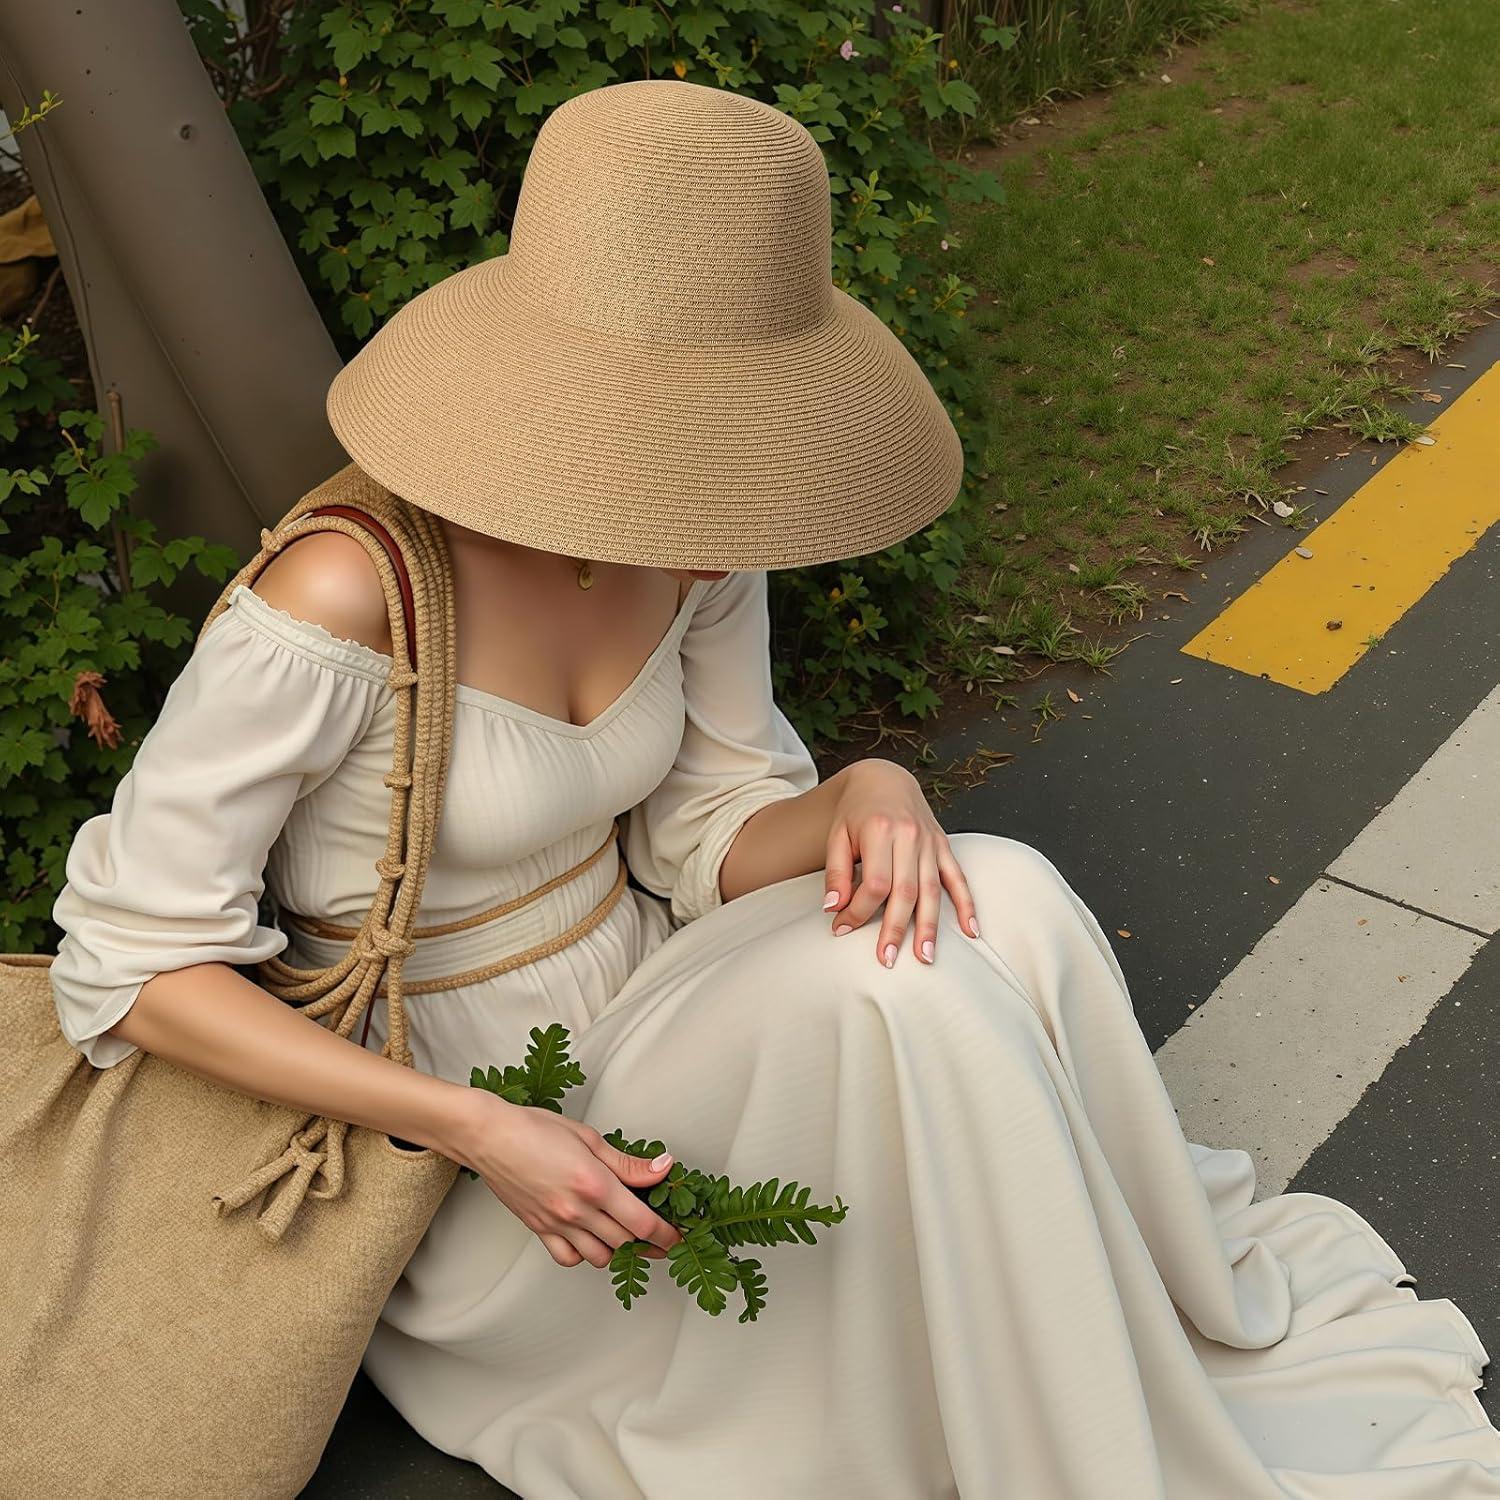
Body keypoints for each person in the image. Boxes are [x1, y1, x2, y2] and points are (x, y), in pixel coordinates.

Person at [47, 79, 1499, 1500]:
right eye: (703, 425)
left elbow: (705, 836)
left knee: (1005, 890)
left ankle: (1071, 1357)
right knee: (898, 990)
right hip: (461, 1120)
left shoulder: (702, 526)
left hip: (653, 993)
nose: (728, 493)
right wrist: (481, 1129)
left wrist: (865, 786)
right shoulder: (344, 595)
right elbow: (134, 969)